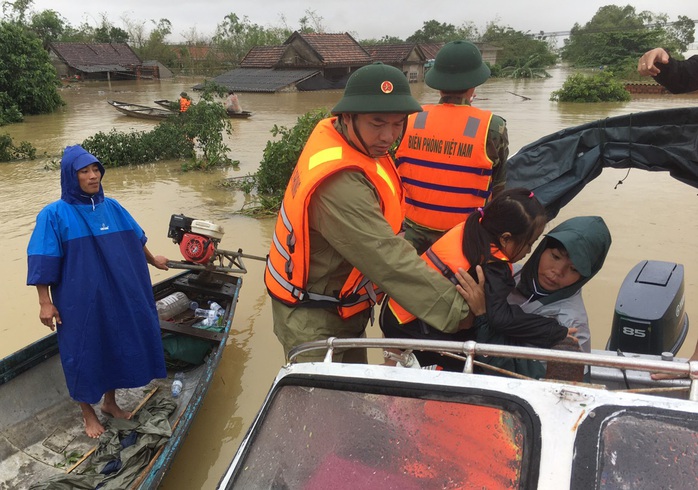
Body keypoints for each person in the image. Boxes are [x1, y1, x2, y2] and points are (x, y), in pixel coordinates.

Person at [265, 62, 479, 363]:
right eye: (377, 123)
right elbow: (387, 259)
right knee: (322, 406)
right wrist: (460, 313)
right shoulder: (339, 185)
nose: (388, 136)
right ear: (348, 117)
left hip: (341, 305)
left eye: (398, 123)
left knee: (354, 396)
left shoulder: (352, 144)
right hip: (312, 320)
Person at [27, 145, 169, 438]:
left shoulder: (112, 206)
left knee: (113, 344)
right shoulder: (54, 215)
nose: (93, 177)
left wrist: (153, 258)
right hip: (78, 301)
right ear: (71, 176)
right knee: (81, 351)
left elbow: (135, 237)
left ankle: (110, 403)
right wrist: (45, 302)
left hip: (117, 292)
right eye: (84, 171)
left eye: (96, 170)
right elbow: (43, 259)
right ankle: (87, 413)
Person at [380, 188, 576, 374]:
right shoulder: (491, 265)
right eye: (528, 244)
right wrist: (555, 331)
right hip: (411, 329)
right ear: (506, 238)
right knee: (482, 364)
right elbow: (501, 317)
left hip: (395, 314)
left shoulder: (470, 229)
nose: (529, 251)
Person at [395, 40, 509, 254]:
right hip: (463, 239)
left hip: (409, 236)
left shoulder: (409, 118)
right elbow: (500, 187)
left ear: (437, 83)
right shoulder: (493, 127)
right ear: (474, 84)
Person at [507, 216, 612, 354]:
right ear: (542, 248)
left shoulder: (570, 326)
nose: (558, 271)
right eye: (555, 256)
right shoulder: (507, 274)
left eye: (574, 269)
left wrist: (482, 315)